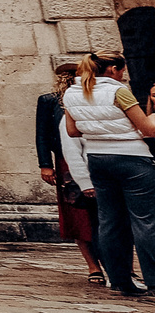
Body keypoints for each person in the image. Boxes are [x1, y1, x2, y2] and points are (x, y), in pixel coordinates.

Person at [63, 52, 155, 299]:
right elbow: (148, 129)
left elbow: (72, 131)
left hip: (97, 158)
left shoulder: (71, 92)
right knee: (145, 220)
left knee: (110, 221)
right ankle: (153, 280)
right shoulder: (118, 92)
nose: (123, 75)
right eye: (122, 70)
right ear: (113, 69)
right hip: (132, 158)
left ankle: (119, 279)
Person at [36, 61, 102, 284]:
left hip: (97, 155)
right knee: (76, 214)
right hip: (66, 161)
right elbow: (42, 134)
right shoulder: (49, 101)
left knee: (106, 213)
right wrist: (45, 165)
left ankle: (112, 262)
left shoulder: (94, 97)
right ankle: (93, 266)